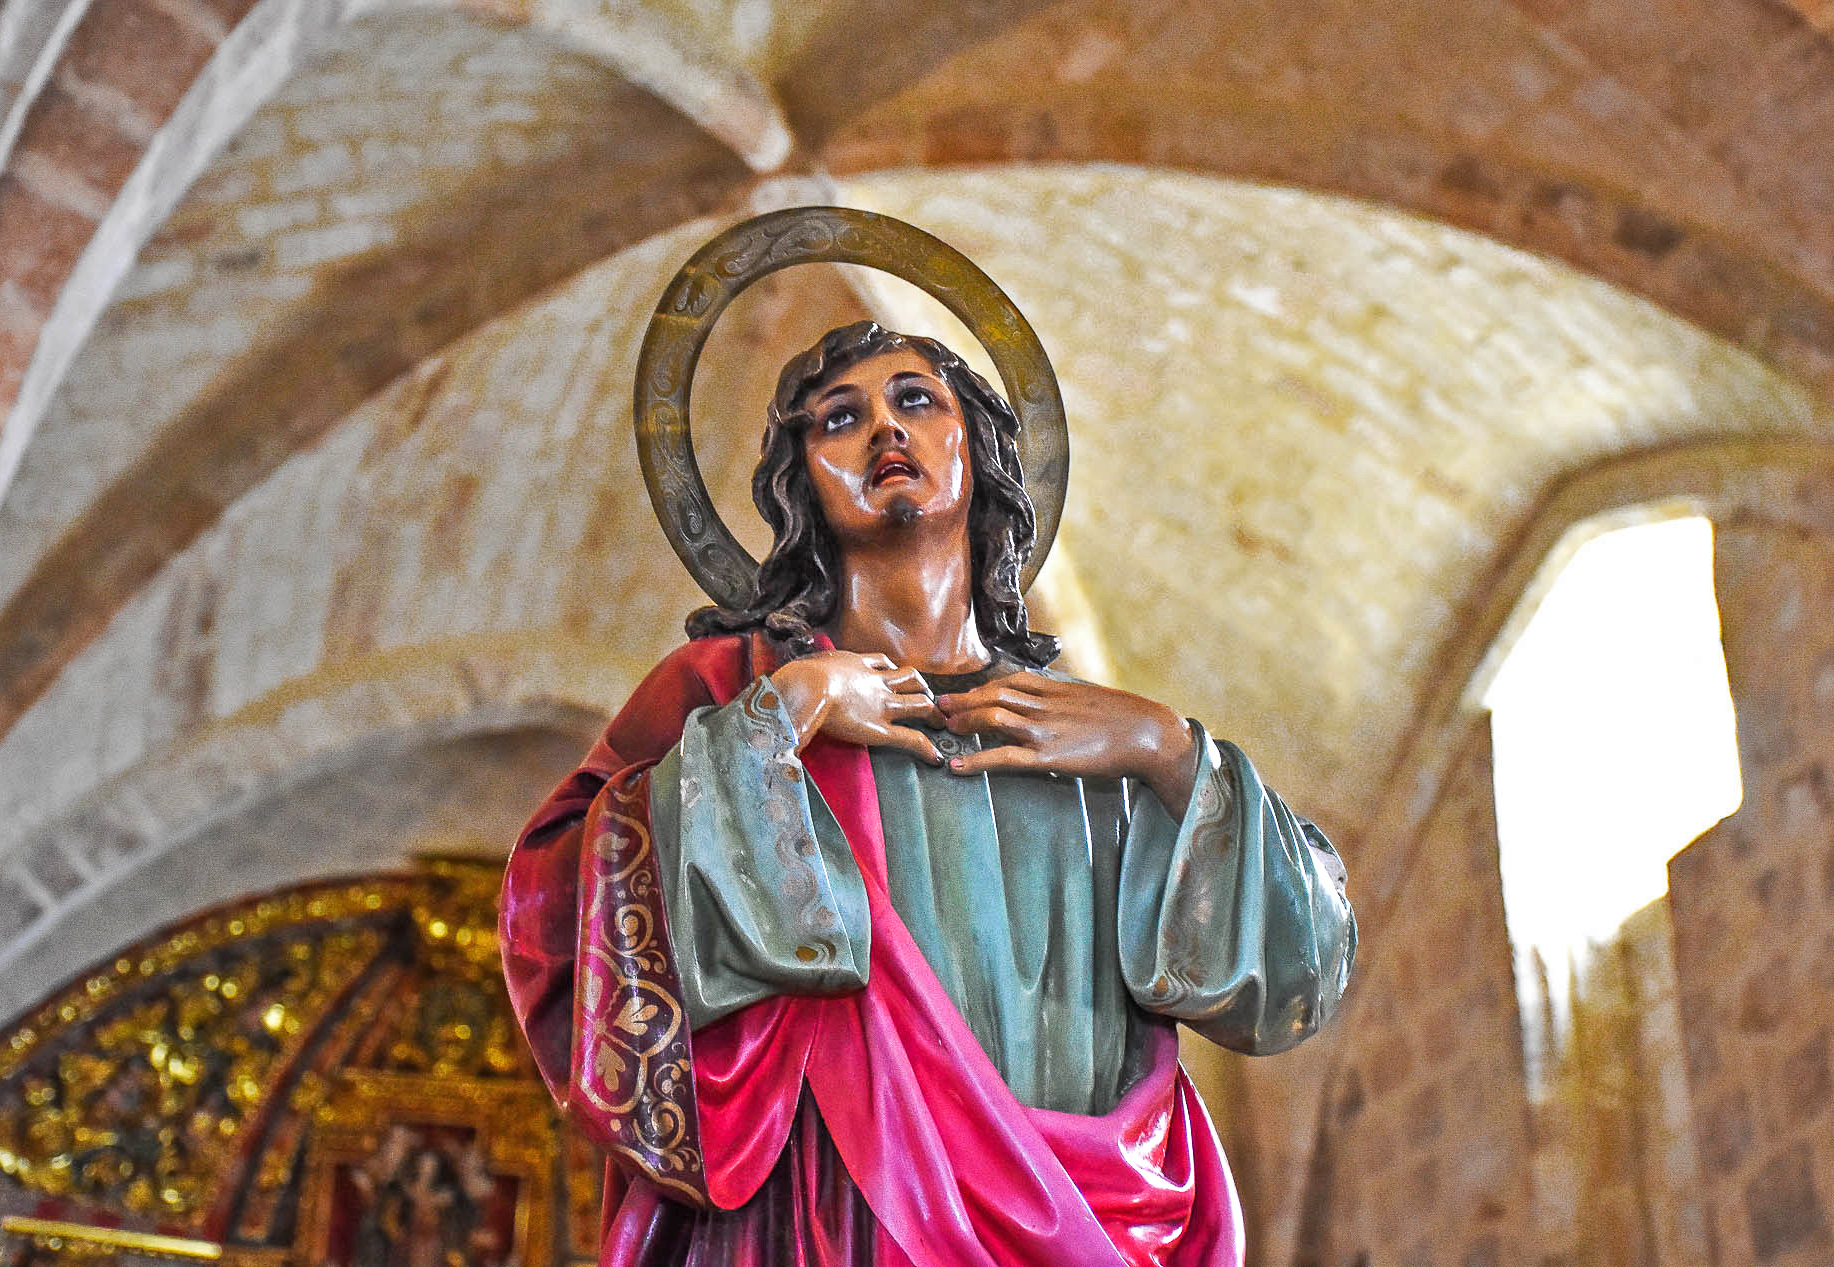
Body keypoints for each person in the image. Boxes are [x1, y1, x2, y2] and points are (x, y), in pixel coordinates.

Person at [500, 321, 1355, 1267]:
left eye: (915, 400)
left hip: (1093, 1213)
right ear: (803, 484)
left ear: (975, 449)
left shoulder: (1099, 737)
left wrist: (1168, 751)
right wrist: (783, 713)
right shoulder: (733, 685)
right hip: (835, 1209)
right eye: (839, 418)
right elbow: (556, 904)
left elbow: (1297, 977)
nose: (882, 430)